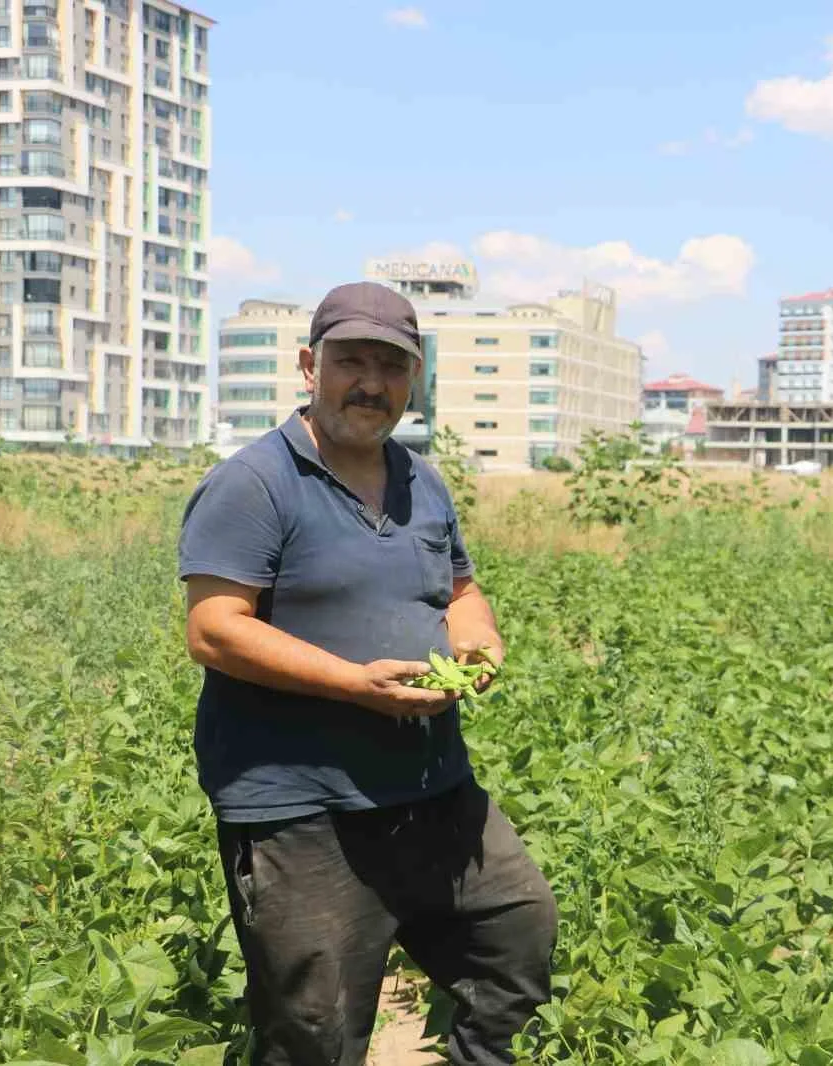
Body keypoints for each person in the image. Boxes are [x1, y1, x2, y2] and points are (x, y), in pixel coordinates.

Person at [177, 281, 558, 1066]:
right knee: (315, 1034)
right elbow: (215, 631)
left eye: (394, 365)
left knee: (516, 938)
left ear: (414, 379)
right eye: (353, 360)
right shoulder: (255, 483)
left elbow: (459, 588)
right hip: (305, 811)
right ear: (309, 365)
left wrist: (480, 639)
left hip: (434, 792)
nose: (373, 383)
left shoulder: (421, 479)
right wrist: (353, 684)